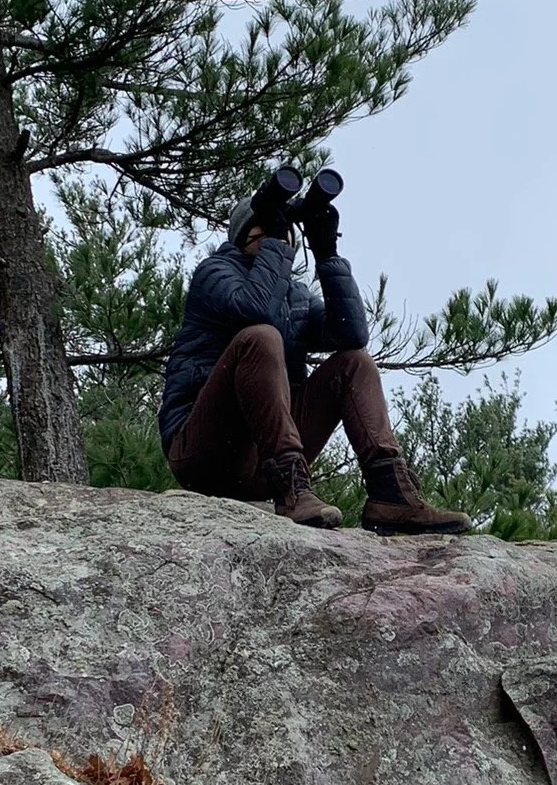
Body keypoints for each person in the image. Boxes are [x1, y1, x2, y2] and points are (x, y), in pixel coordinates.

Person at [159, 184, 470, 534]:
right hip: (203, 453)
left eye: (281, 233)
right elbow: (255, 308)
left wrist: (327, 254)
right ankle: (292, 489)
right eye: (265, 232)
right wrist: (277, 243)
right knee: (261, 338)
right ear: (242, 237)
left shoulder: (296, 296)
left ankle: (391, 494)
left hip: (260, 468)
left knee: (354, 363)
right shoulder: (214, 274)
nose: (276, 240)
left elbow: (351, 335)